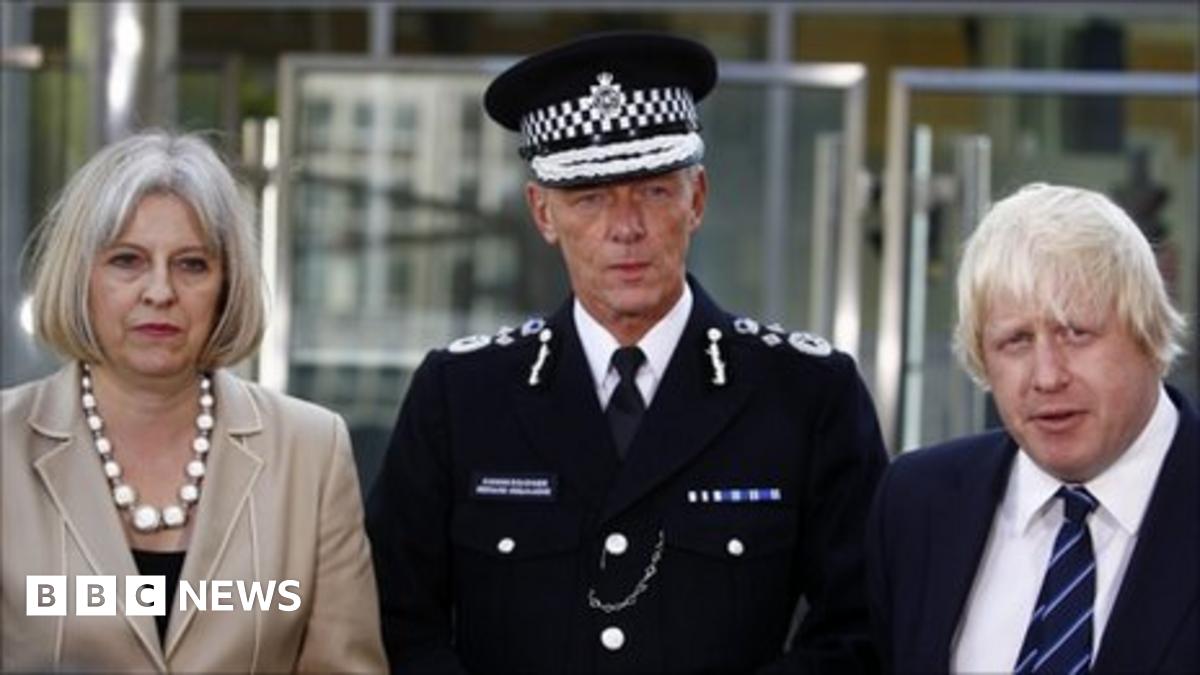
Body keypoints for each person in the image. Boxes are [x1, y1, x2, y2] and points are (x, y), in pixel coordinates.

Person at [367, 32, 887, 674]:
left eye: (654, 191)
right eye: (590, 198)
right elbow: (395, 619)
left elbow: (859, 628)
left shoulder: (806, 392)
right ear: (542, 212)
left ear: (697, 199)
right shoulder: (461, 394)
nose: (626, 228)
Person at [1, 131, 387, 672]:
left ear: (227, 285)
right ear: (79, 277)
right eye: (127, 260)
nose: (160, 291)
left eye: (192, 265)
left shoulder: (311, 451)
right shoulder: (7, 444)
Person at [866, 183, 1196, 673]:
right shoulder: (917, 505)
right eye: (1016, 341)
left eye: (1076, 333)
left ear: (1148, 332)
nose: (1047, 376)